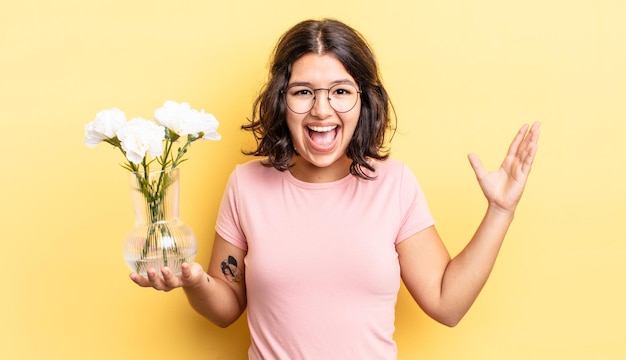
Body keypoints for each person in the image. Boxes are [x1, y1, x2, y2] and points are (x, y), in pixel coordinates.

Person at [130, 18, 541, 359]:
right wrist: (193, 280)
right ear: (281, 100)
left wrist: (501, 210)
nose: (322, 109)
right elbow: (225, 308)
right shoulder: (247, 185)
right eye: (303, 92)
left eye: (341, 91)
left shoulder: (393, 185)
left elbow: (446, 304)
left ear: (363, 101)